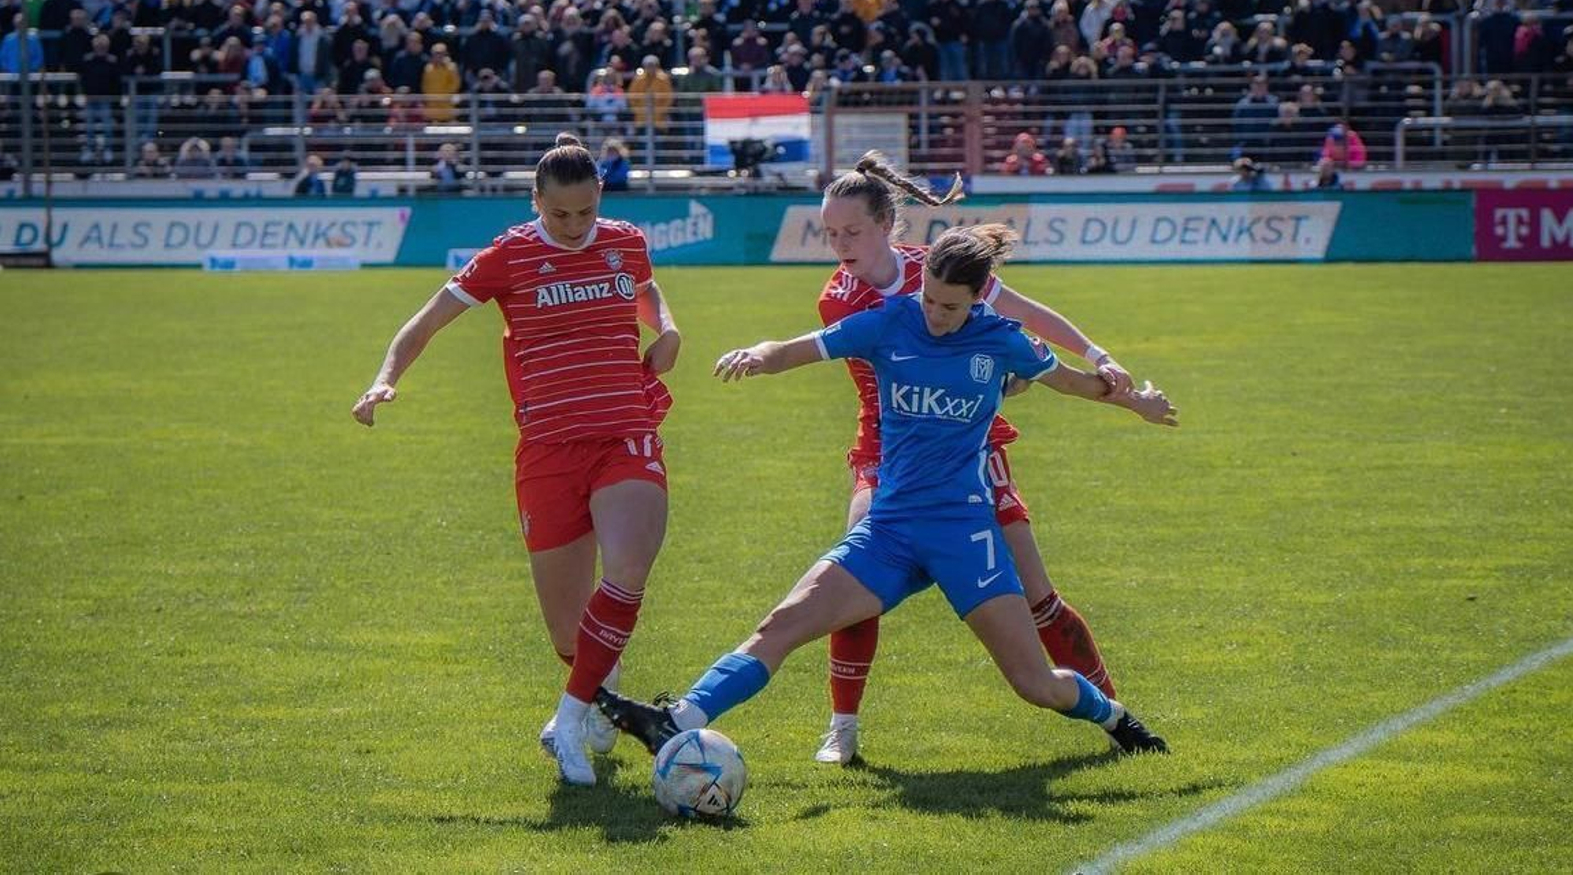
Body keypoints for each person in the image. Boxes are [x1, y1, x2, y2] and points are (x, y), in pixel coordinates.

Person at [594, 224, 1175, 763]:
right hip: (890, 529)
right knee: (781, 625)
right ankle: (676, 720)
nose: (936, 314)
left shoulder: (1004, 341)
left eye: (951, 306)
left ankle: (1115, 718)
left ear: (978, 299)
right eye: (929, 300)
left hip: (964, 533)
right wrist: (760, 356)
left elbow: (1075, 385)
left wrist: (1137, 401)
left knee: (1035, 684)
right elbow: (800, 347)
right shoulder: (888, 321)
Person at [351, 133, 681, 788]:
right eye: (560, 213)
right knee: (571, 635)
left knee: (627, 571)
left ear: (599, 200)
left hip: (625, 431)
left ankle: (569, 719)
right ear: (536, 202)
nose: (574, 225)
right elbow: (424, 322)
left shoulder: (625, 241)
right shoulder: (511, 254)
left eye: (585, 212)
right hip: (548, 452)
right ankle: (595, 698)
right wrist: (385, 378)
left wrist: (667, 328)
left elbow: (647, 291)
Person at [794, 152, 1144, 763]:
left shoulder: (934, 269)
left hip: (973, 444)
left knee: (1038, 595)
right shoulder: (836, 302)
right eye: (830, 234)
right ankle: (842, 728)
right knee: (855, 577)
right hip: (886, 450)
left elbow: (1022, 314)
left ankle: (1116, 718)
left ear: (886, 225)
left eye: (851, 232)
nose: (839, 245)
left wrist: (1096, 353)